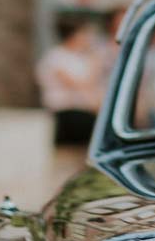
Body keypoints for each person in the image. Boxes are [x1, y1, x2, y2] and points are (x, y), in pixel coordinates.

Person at [35, 14, 112, 145]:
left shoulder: (83, 58)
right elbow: (80, 85)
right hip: (66, 113)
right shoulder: (56, 57)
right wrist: (96, 63)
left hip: (85, 112)